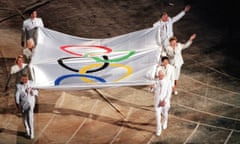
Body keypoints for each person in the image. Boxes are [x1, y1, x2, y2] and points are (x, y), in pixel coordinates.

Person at [15, 73, 38, 139]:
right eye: (23, 79)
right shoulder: (18, 85)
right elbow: (17, 95)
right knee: (24, 118)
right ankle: (27, 131)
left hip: (31, 103)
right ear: (21, 79)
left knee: (31, 118)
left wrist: (31, 92)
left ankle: (32, 134)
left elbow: (36, 92)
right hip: (23, 104)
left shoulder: (32, 83)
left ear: (28, 78)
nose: (25, 80)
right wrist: (18, 104)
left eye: (26, 79)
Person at [154, 70, 172, 136]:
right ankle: (158, 129)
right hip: (157, 102)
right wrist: (151, 88)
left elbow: (169, 93)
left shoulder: (168, 81)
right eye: (159, 75)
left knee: (165, 114)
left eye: (161, 75)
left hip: (165, 102)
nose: (160, 76)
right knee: (157, 116)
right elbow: (152, 90)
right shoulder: (155, 81)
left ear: (164, 75)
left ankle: (165, 121)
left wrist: (165, 101)